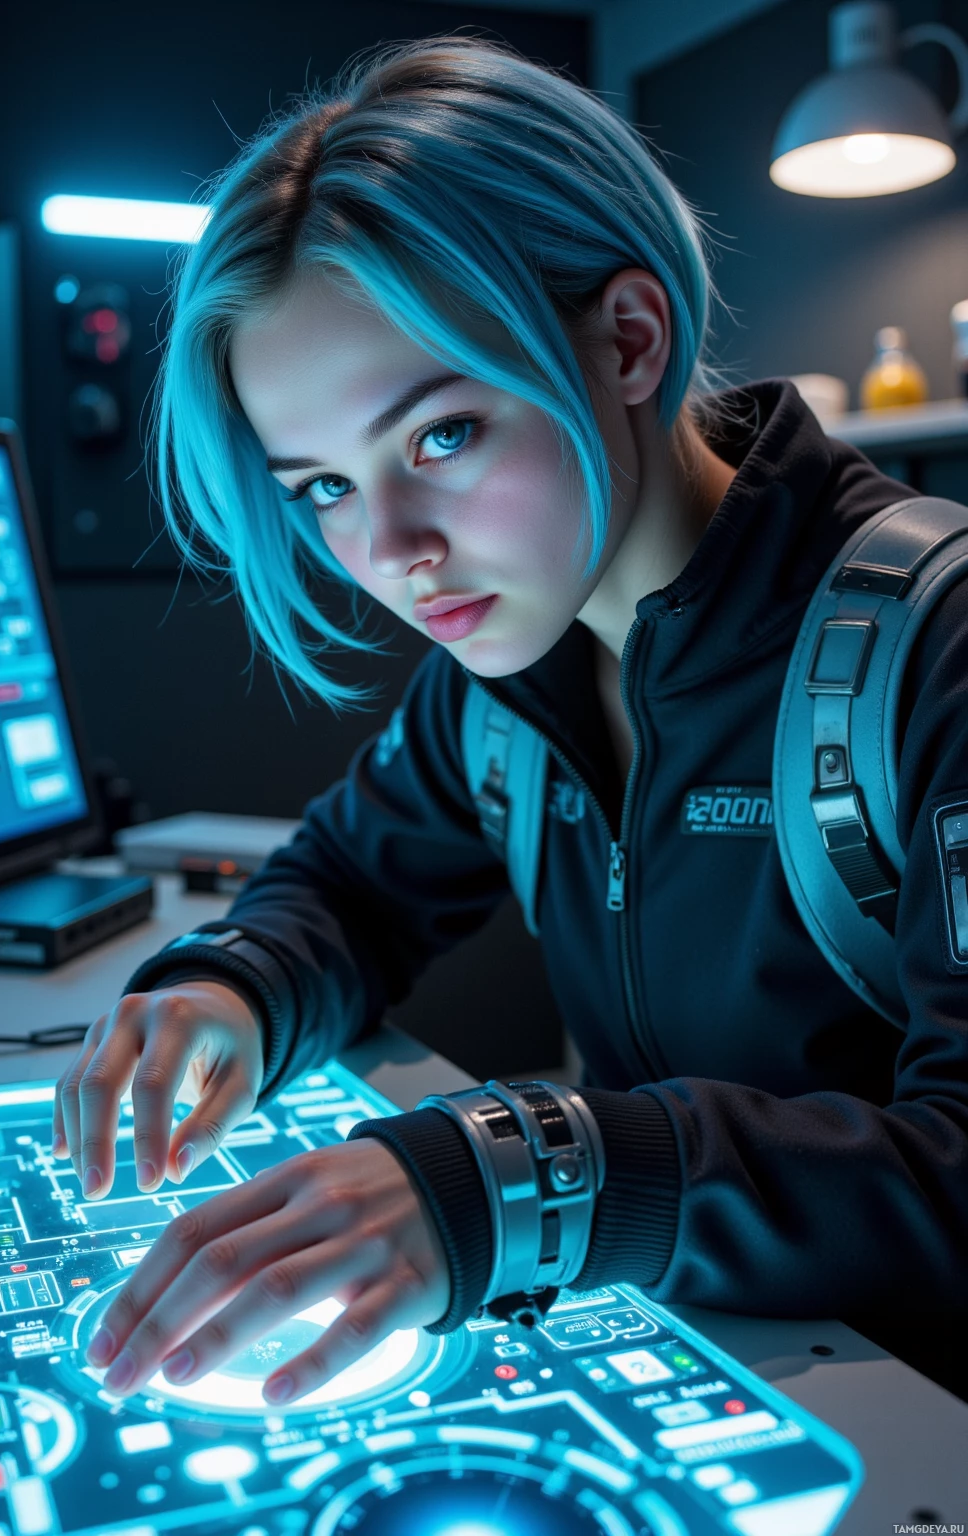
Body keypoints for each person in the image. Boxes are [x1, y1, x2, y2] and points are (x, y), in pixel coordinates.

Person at [52, 36, 968, 1409]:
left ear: (630, 340)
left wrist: (500, 1179)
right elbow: (350, 884)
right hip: (729, 1365)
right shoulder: (503, 672)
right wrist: (227, 985)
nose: (393, 552)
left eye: (438, 438)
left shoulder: (932, 644)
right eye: (321, 489)